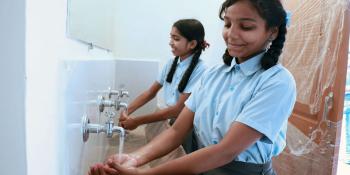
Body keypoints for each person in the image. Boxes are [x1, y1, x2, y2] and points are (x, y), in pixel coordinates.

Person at [88, 0, 296, 174]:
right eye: (227, 24)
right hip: (201, 165)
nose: (231, 34)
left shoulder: (276, 82)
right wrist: (134, 158)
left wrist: (146, 174)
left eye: (246, 27)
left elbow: (225, 151)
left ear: (272, 32)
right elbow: (178, 129)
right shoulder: (214, 75)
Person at [118, 19, 208, 153]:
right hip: (169, 120)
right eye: (171, 37)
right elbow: (150, 93)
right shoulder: (172, 63)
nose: (171, 42)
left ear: (192, 44)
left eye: (176, 39)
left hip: (185, 127)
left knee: (179, 163)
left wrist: (137, 121)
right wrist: (126, 111)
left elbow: (177, 110)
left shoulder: (200, 69)